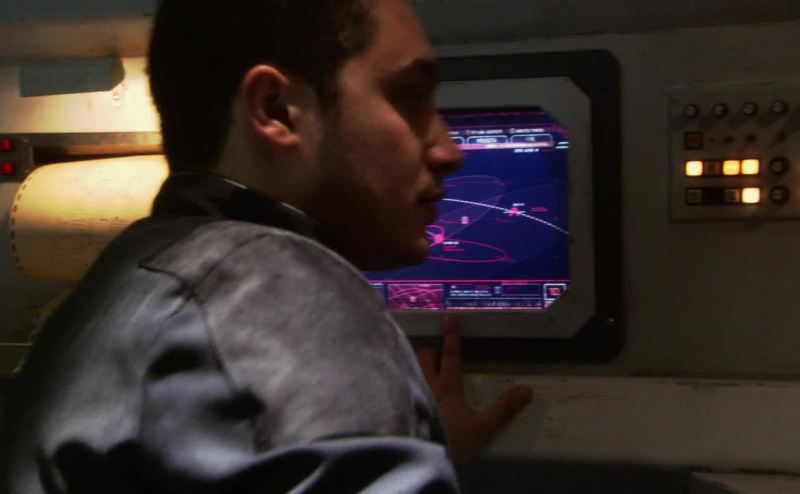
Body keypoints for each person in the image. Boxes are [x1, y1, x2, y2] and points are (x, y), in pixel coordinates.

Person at [0, 0, 532, 492]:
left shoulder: (125, 279)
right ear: (275, 109)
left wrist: (389, 437)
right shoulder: (274, 285)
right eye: (410, 97)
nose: (448, 150)